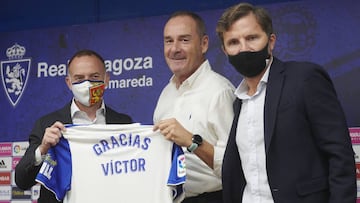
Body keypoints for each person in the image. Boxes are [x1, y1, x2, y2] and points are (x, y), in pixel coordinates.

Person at [215, 2, 356, 203]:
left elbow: (340, 155)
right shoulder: (239, 102)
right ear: (224, 50)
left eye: (252, 38)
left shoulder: (305, 78)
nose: (243, 48)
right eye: (233, 42)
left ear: (271, 41)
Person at [15, 49, 133, 203]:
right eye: (79, 78)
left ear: (107, 79)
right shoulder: (47, 124)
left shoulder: (124, 123)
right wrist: (43, 150)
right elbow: (22, 181)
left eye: (94, 77)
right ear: (69, 83)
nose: (87, 83)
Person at [153, 11, 236, 203]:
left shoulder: (219, 91)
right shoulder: (166, 93)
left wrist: (192, 141)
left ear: (204, 44)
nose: (174, 49)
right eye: (168, 41)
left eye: (184, 40)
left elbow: (235, 166)